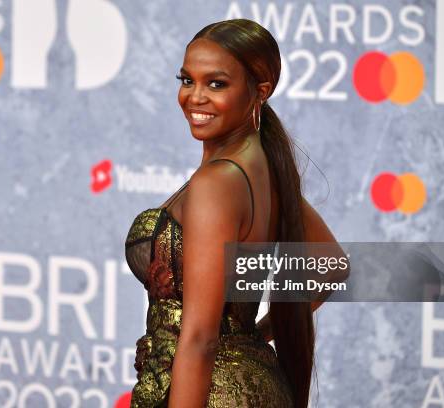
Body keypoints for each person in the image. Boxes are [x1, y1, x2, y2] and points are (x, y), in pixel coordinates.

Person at [125, 18, 348, 408]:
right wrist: (252, 335)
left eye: (216, 84)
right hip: (258, 386)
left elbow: (199, 339)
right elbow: (332, 265)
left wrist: (242, 336)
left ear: (259, 91)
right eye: (186, 80)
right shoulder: (266, 169)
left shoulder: (218, 183)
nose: (194, 97)